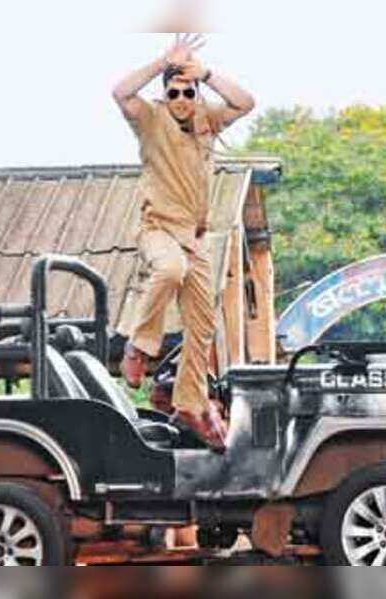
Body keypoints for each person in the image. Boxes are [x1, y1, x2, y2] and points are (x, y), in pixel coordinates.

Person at [112, 34, 255, 451]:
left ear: (196, 94)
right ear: (164, 95)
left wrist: (204, 73)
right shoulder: (150, 119)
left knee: (203, 322)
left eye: (187, 92)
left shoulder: (207, 120)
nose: (180, 99)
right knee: (169, 268)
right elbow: (121, 92)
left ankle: (190, 401)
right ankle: (139, 346)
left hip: (196, 237)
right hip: (159, 228)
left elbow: (245, 102)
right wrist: (163, 62)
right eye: (173, 92)